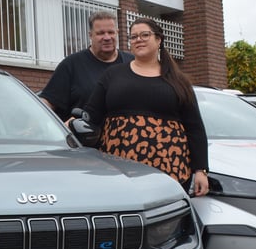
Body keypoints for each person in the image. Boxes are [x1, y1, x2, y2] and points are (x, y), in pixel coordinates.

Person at [83, 17, 209, 196]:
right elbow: (91, 115)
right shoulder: (112, 75)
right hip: (120, 167)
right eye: (133, 37)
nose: (138, 40)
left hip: (170, 169)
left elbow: (194, 127)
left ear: (158, 40)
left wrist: (200, 170)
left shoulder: (179, 81)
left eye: (144, 35)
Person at [39, 10, 134, 121]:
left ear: (117, 33)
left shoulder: (132, 63)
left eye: (111, 32)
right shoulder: (71, 65)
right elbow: (48, 102)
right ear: (90, 35)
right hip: (83, 136)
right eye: (100, 33)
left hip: (126, 135)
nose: (107, 37)